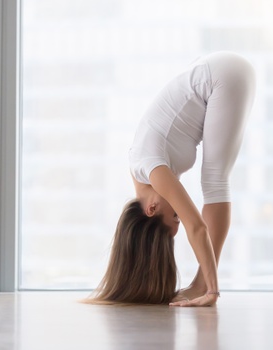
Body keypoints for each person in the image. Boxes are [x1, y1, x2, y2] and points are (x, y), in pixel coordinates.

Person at [84, 51, 256, 307]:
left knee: (215, 181)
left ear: (152, 208)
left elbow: (196, 226)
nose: (179, 214)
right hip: (217, 71)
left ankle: (202, 285)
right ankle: (202, 284)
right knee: (213, 179)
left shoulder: (152, 168)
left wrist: (212, 292)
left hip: (221, 76)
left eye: (174, 216)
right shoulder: (145, 172)